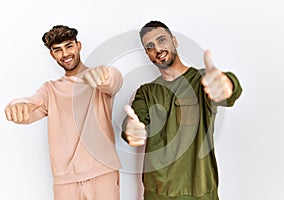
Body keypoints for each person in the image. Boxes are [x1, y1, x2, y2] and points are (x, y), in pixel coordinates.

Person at [122, 21, 242, 200]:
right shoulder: (146, 92)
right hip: (158, 194)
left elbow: (229, 89)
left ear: (174, 41)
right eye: (150, 46)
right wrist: (131, 129)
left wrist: (228, 84)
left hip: (200, 193)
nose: (157, 49)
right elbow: (135, 120)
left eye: (162, 40)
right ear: (147, 54)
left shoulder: (201, 80)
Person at [5, 25, 122, 200]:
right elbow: (30, 105)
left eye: (69, 46)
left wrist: (105, 75)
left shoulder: (99, 79)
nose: (65, 54)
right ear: (52, 55)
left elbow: (113, 79)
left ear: (78, 45)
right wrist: (16, 105)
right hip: (65, 182)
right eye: (58, 50)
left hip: (102, 173)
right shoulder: (50, 90)